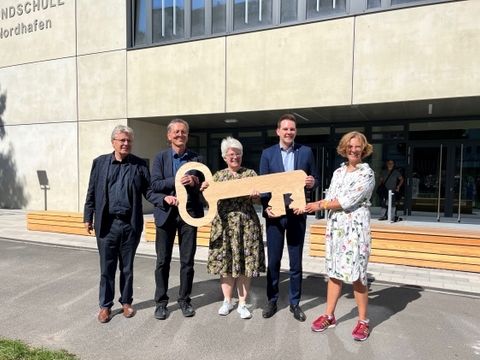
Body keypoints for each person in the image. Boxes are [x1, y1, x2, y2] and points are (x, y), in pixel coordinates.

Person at [84, 125, 161, 324]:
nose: (126, 144)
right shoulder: (100, 163)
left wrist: (165, 200)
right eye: (122, 141)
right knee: (106, 269)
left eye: (129, 141)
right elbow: (91, 191)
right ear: (113, 143)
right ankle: (105, 306)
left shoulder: (139, 165)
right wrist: (87, 216)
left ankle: (126, 302)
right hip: (107, 225)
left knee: (127, 268)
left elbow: (149, 191)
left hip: (130, 224)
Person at [305, 131, 375, 341]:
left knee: (357, 274)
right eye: (350, 146)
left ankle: (363, 321)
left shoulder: (366, 173)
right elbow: (332, 196)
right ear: (344, 148)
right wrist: (322, 203)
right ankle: (329, 315)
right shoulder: (338, 172)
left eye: (358, 146)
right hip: (336, 227)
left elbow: (346, 200)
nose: (354, 150)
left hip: (355, 227)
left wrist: (317, 205)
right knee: (334, 271)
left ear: (364, 149)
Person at [259, 113, 319, 322]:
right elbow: (264, 185)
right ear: (278, 131)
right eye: (285, 129)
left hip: (296, 214)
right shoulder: (267, 154)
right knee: (273, 261)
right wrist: (266, 208)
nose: (288, 132)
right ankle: (272, 300)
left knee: (296, 262)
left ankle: (295, 303)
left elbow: (314, 178)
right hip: (275, 216)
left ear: (296, 131)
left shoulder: (306, 152)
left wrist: (313, 182)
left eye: (292, 129)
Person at [200, 137, 265, 319]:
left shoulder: (250, 174)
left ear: (241, 155)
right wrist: (206, 190)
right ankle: (227, 301)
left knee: (245, 264)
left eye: (237, 154)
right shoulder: (218, 176)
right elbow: (210, 200)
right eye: (231, 154)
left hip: (247, 224)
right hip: (224, 224)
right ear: (224, 157)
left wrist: (256, 196)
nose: (234, 157)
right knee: (226, 264)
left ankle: (242, 303)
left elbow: (259, 200)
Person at [151, 118, 204, 320]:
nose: (180, 135)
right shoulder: (160, 158)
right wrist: (173, 182)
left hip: (189, 214)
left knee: (187, 261)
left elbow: (206, 184)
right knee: (162, 261)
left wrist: (195, 180)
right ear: (169, 135)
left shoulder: (196, 158)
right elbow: (154, 185)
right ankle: (161, 302)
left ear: (187, 135)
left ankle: (184, 300)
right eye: (176, 132)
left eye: (183, 132)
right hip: (166, 214)